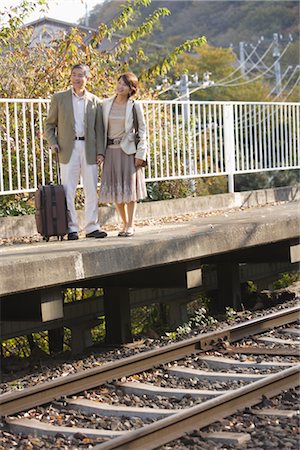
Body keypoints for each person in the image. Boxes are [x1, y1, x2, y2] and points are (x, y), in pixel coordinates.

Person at [45, 63, 107, 240]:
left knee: (91, 189)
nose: (77, 78)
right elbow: (49, 125)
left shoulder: (95, 101)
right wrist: (53, 142)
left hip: (89, 149)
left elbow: (99, 130)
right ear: (70, 77)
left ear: (87, 78)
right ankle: (71, 227)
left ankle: (92, 227)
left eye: (81, 75)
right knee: (68, 190)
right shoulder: (59, 98)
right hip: (67, 149)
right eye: (74, 75)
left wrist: (100, 152)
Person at [98, 72, 147, 237]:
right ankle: (124, 223)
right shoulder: (105, 104)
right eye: (119, 82)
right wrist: (100, 152)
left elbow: (142, 130)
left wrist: (141, 153)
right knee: (116, 190)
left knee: (129, 190)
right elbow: (100, 130)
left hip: (128, 152)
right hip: (110, 151)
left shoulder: (134, 106)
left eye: (124, 85)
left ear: (131, 89)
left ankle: (131, 224)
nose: (120, 87)